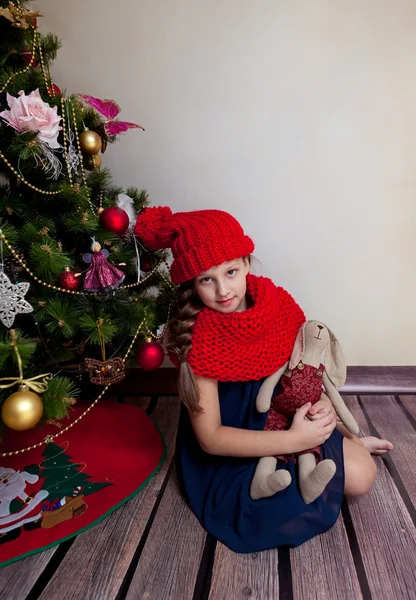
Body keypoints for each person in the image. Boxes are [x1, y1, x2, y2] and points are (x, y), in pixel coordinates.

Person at [134, 206, 393, 554]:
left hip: (283, 417)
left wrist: (323, 408)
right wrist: (293, 440)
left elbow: (303, 372)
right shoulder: (197, 338)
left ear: (247, 263)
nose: (223, 290)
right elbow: (211, 439)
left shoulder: (277, 305)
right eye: (206, 279)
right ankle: (297, 463)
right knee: (276, 505)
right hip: (236, 447)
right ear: (191, 282)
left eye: (231, 271)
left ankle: (356, 445)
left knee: (362, 475)